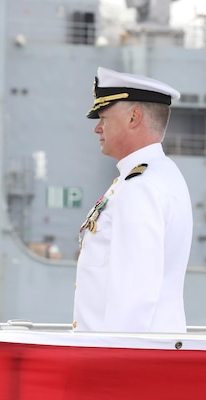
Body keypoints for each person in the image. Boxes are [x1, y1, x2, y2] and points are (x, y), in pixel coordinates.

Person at [73, 66, 193, 333]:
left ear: (134, 117)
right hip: (142, 357)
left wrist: (114, 366)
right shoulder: (160, 175)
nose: (97, 128)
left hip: (123, 361)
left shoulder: (140, 186)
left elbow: (133, 298)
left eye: (103, 116)